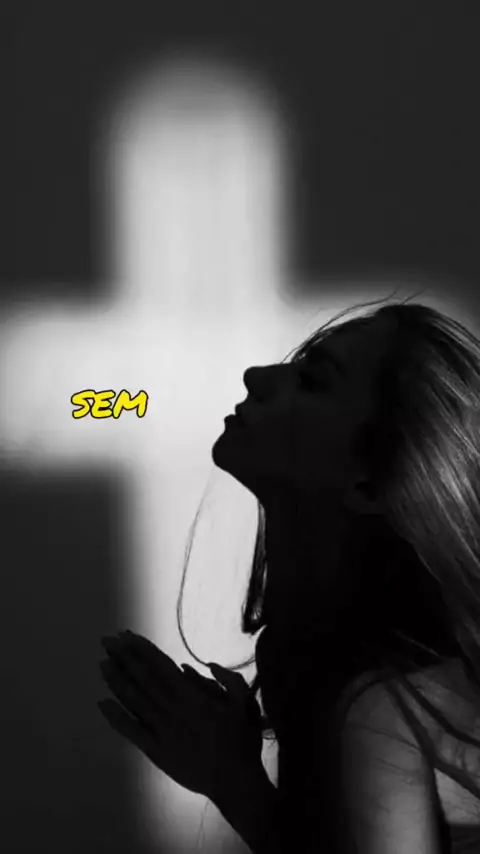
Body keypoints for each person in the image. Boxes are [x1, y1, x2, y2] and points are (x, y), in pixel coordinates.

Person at [177, 294, 480, 852]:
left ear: (371, 484)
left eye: (313, 380)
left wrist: (236, 785)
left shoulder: (392, 698)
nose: (257, 376)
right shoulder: (301, 645)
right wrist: (234, 780)